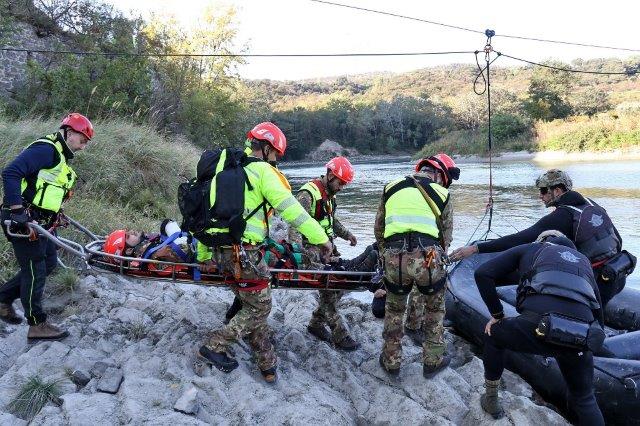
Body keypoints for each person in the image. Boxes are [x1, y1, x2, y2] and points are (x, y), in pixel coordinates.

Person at [195, 122, 332, 383]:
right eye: (276, 154)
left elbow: (203, 216)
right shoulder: (262, 172)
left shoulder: (223, 172)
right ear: (267, 148)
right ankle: (214, 345)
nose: (277, 159)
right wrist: (322, 238)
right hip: (245, 254)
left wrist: (203, 256)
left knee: (250, 303)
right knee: (260, 307)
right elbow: (292, 211)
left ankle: (266, 363)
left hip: (221, 252)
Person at [474, 231, 605, 425]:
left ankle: (491, 399)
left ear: (542, 241)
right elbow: (599, 315)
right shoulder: (583, 262)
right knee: (584, 398)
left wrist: (498, 315)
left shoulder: (531, 248)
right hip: (581, 334)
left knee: (493, 334)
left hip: (536, 325)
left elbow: (482, 273)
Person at [451, 169, 626, 307]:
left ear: (557, 191)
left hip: (594, 283)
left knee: (507, 275)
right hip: (616, 274)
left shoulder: (563, 216)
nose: (540, 196)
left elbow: (520, 238)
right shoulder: (591, 204)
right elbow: (616, 239)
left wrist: (476, 248)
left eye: (543, 191)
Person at [0, 113, 93, 341]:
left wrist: (55, 212)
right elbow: (11, 172)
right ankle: (37, 324)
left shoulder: (59, 155)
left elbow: (43, 188)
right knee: (35, 269)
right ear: (70, 133)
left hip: (41, 220)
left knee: (49, 261)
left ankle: (2, 299)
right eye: (82, 141)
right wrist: (17, 210)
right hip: (23, 220)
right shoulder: (46, 150)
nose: (82, 147)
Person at [375, 153, 458, 377]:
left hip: (394, 258)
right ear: (439, 175)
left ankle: (391, 362)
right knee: (434, 309)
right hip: (427, 259)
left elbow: (379, 229)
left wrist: (385, 254)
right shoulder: (443, 193)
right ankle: (432, 361)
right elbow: (446, 237)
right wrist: (434, 258)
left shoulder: (390, 187)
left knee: (394, 310)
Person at [288, 156, 362, 351]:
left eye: (344, 184)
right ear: (330, 175)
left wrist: (348, 235)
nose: (341, 187)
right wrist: (296, 254)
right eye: (340, 183)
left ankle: (316, 323)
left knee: (341, 284)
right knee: (329, 287)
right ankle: (340, 334)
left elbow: (332, 221)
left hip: (326, 249)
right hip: (310, 251)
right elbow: (294, 223)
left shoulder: (329, 195)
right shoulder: (308, 194)